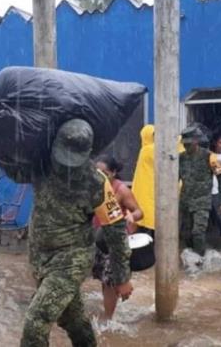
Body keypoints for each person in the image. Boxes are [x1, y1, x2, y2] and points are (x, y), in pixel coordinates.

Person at [17, 119, 133, 347]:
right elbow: (13, 168)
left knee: (36, 321)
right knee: (73, 319)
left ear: (88, 152)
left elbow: (116, 230)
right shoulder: (41, 164)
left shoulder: (96, 182)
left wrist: (122, 277)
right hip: (40, 256)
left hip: (72, 259)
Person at [93, 155, 143, 320]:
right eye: (97, 172)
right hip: (96, 239)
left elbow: (139, 212)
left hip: (113, 241)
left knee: (110, 281)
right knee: (103, 278)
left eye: (104, 173)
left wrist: (131, 217)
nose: (100, 176)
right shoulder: (92, 187)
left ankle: (108, 320)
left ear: (113, 172)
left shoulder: (121, 190)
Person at [131, 125, 185, 238]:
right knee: (156, 223)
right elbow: (178, 149)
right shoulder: (149, 150)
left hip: (151, 192)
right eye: (155, 135)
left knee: (151, 222)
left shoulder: (145, 151)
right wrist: (177, 137)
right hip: (153, 192)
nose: (158, 138)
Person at [178, 125, 215, 256]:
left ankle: (201, 259)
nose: (186, 147)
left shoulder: (209, 156)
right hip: (185, 201)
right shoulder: (180, 158)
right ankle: (191, 257)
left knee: (198, 232)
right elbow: (174, 180)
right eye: (184, 145)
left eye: (189, 144)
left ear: (196, 141)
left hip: (202, 201)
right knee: (186, 234)